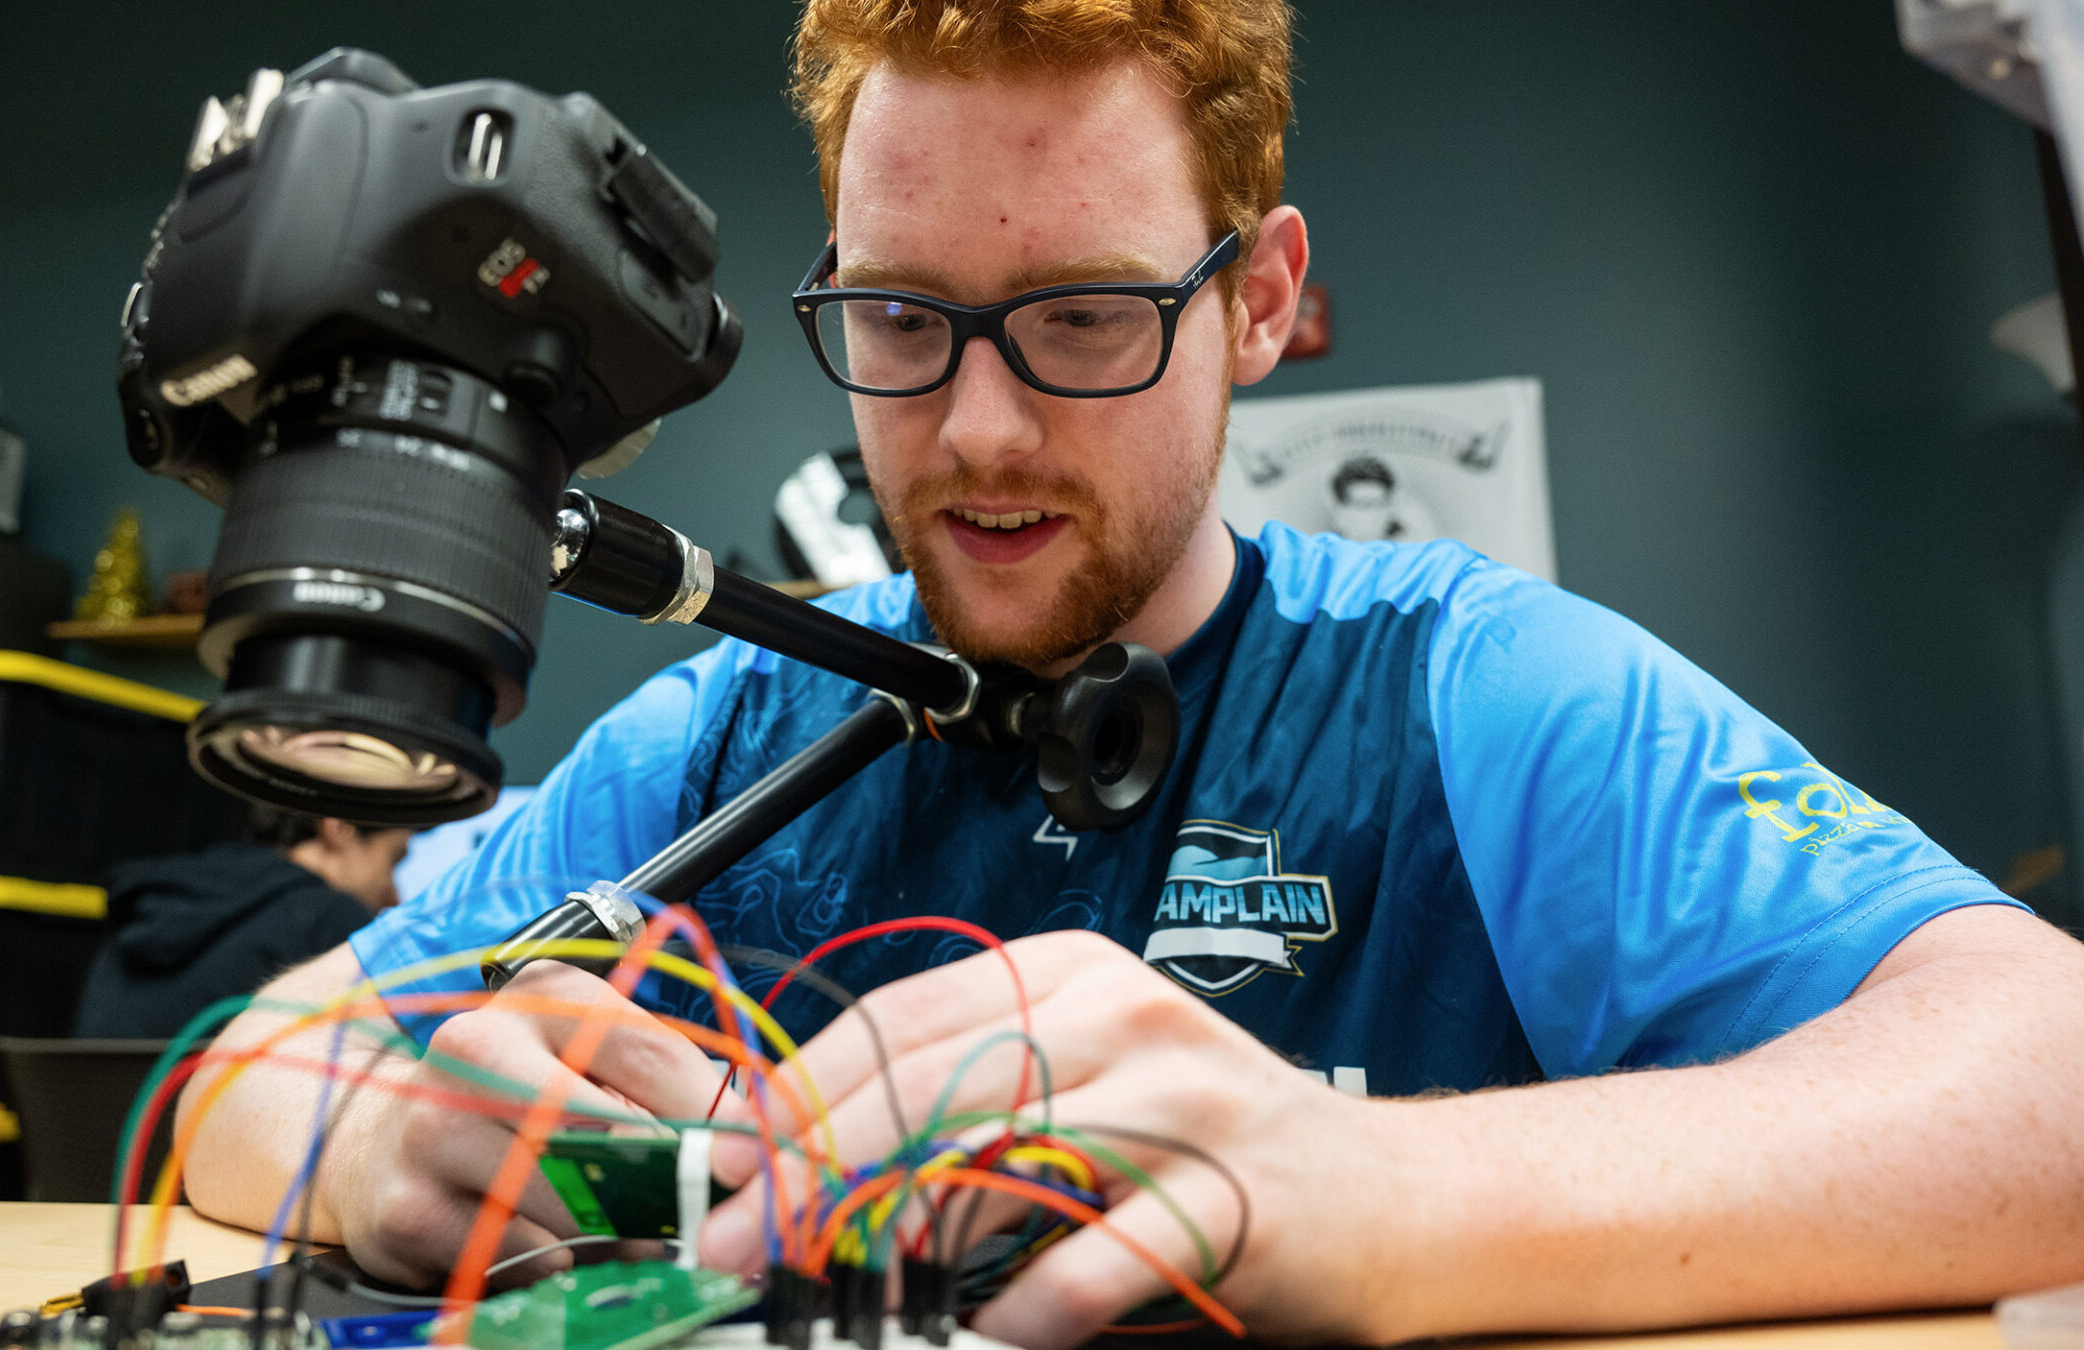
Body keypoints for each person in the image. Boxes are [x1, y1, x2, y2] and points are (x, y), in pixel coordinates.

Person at [179, 2, 2084, 1344]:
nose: (979, 430)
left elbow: (2051, 1076)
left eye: (1083, 314)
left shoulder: (1475, 689)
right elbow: (247, 1073)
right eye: (903, 319)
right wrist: (386, 1165)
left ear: (1256, 301)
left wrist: (1374, 1193)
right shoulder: (720, 733)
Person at [74, 809, 409, 1040]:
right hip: (201, 1136)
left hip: (91, 1133)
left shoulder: (180, 888)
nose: (395, 895)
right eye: (394, 858)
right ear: (339, 830)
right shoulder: (331, 916)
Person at [1326, 455, 1404, 542]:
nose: (1373, 512)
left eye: (1378, 503)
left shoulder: (1408, 552)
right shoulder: (1321, 554)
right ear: (1340, 510)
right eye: (1363, 504)